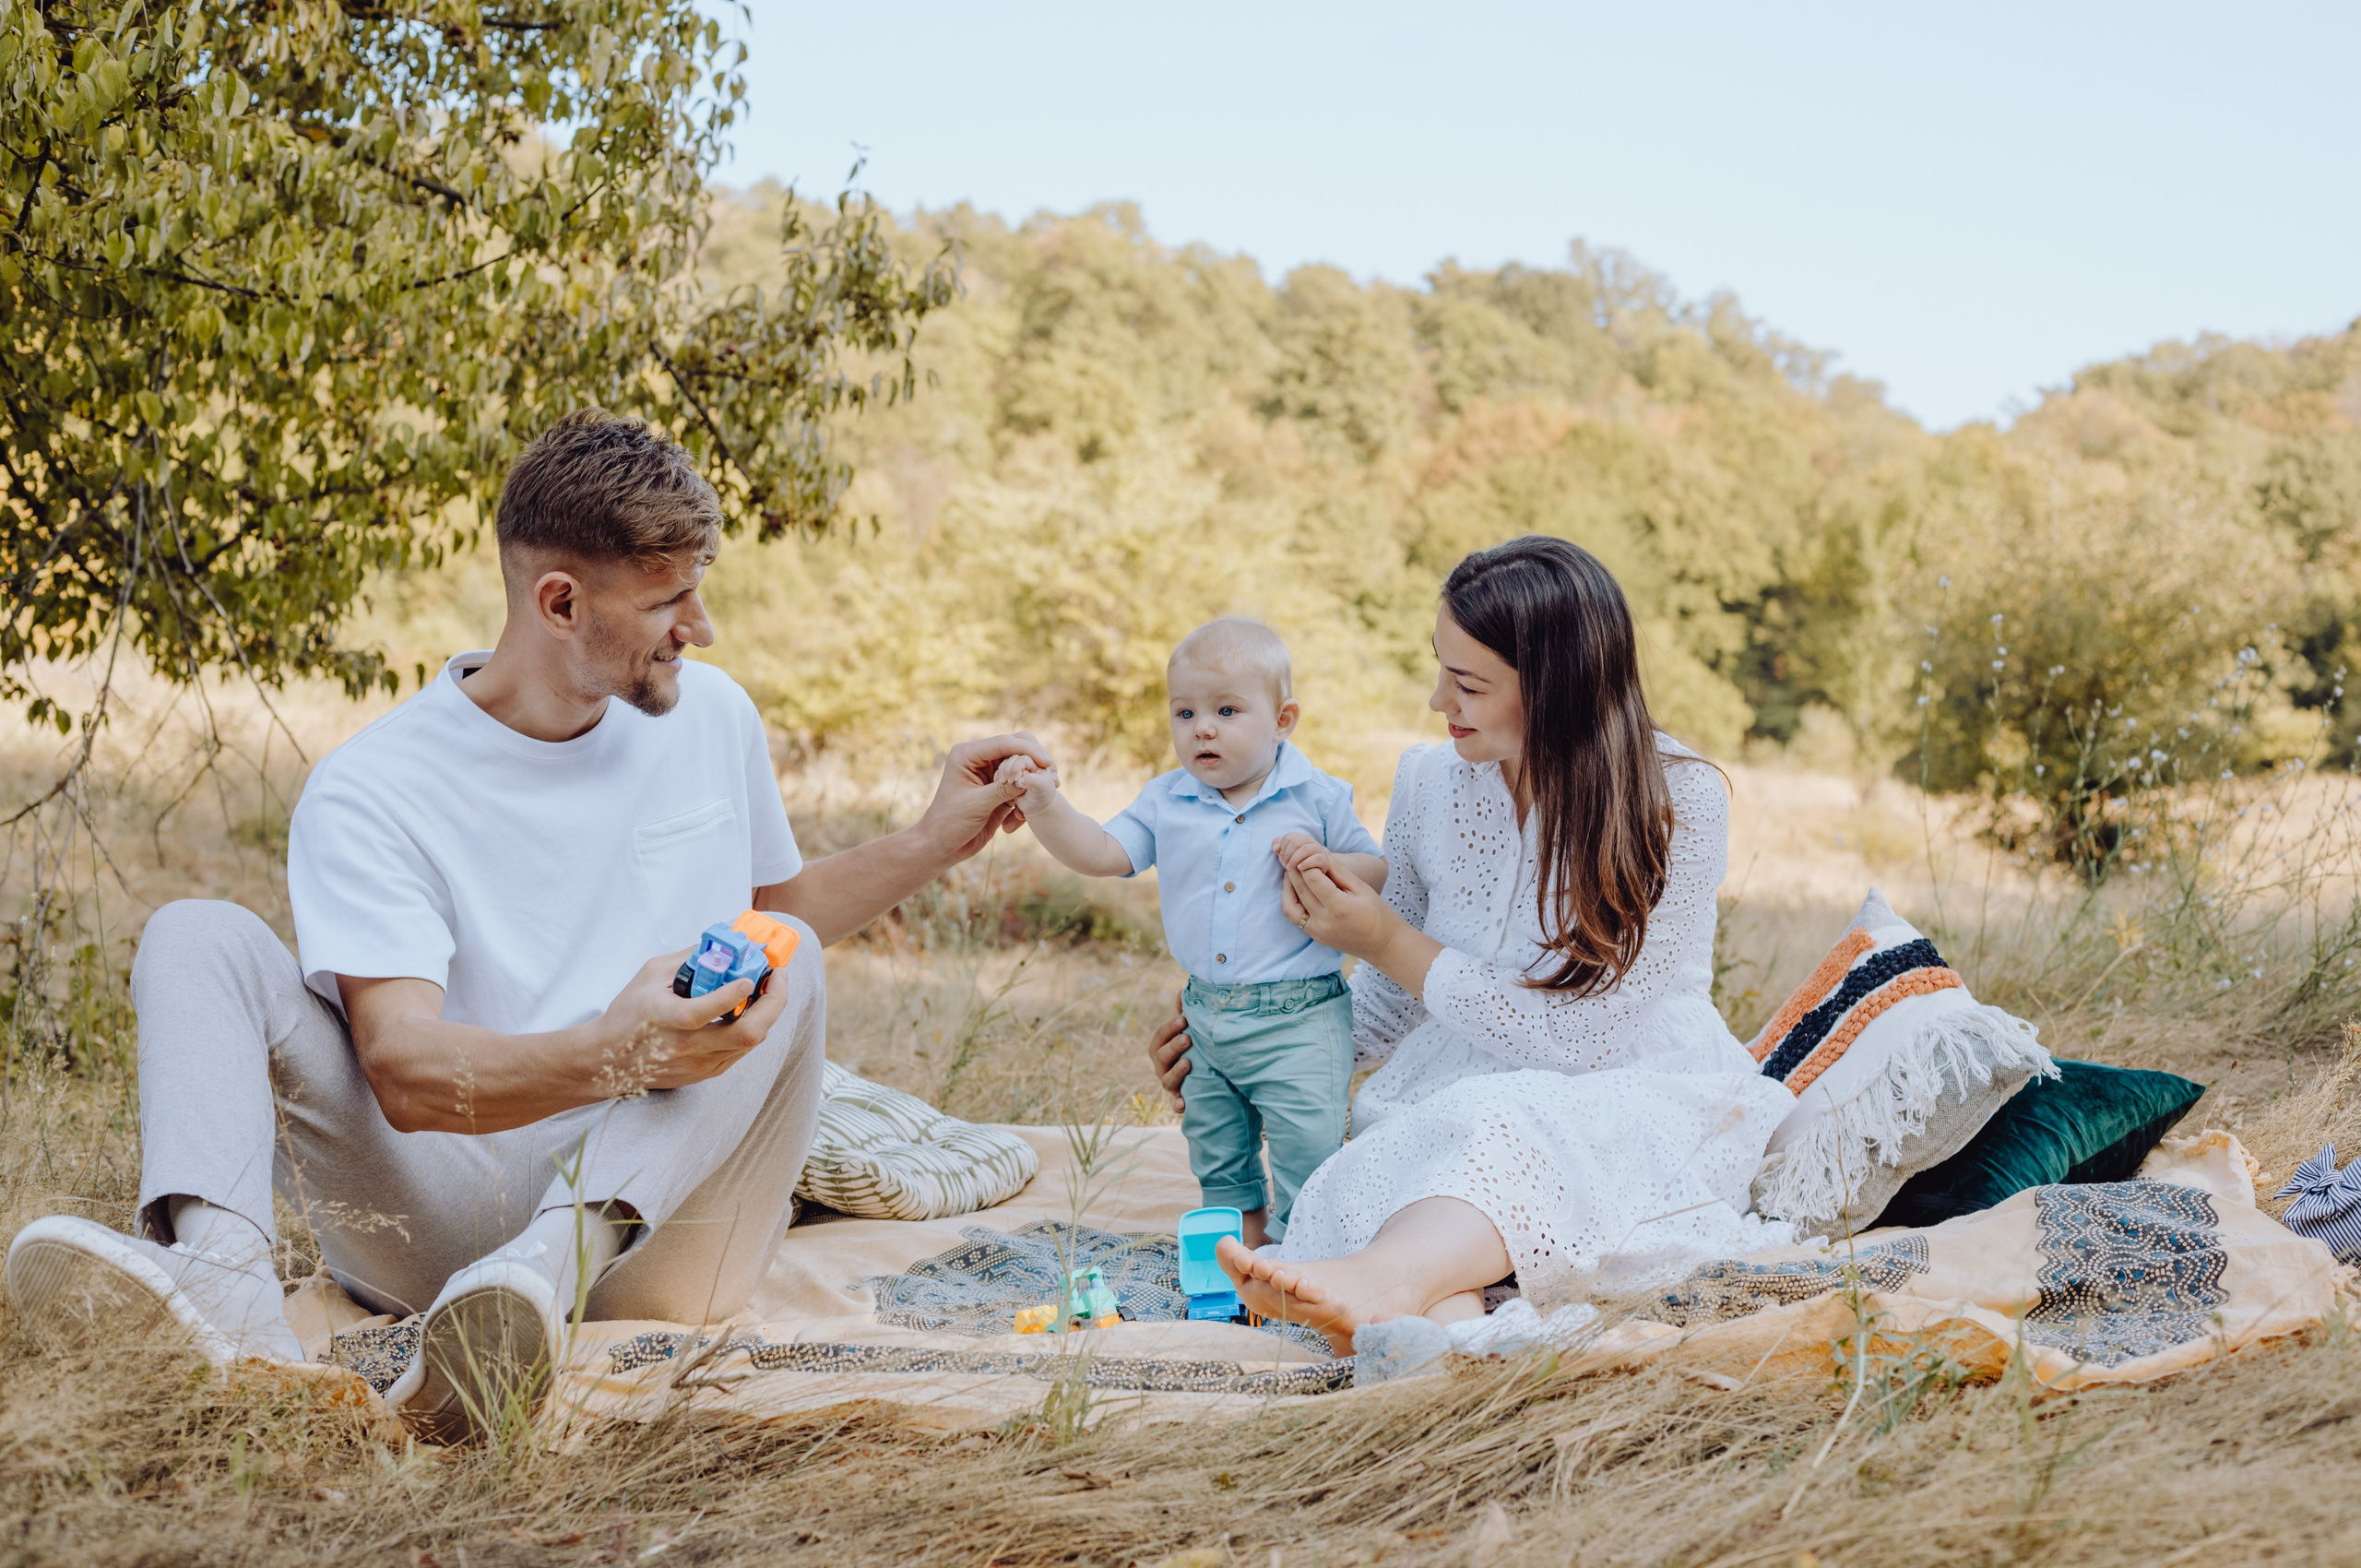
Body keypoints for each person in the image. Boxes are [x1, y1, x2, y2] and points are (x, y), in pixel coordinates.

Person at [4, 410, 1050, 1436]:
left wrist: (931, 840)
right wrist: (615, 1051)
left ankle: (542, 1280)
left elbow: (771, 917)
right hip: (438, 1218)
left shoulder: (712, 714)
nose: (700, 626)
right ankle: (228, 1305)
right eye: (668, 602)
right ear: (558, 601)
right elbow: (405, 1072)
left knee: (794, 959)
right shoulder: (374, 786)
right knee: (196, 933)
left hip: (668, 1235)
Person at [1146, 537, 1797, 1353]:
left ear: (1556, 690)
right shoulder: (1429, 781)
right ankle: (1431, 1342)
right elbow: (1389, 1001)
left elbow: (1585, 1038)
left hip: (1629, 1086)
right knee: (1403, 1151)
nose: (1435, 699)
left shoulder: (1678, 799)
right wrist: (1254, 1052)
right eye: (1439, 667)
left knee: (1496, 1124)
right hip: (1452, 1087)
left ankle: (1382, 1285)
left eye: (1469, 683)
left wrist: (1385, 939)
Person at [1001, 618, 1384, 1246]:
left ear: (1283, 719)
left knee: (1307, 1144)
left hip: (1301, 1019)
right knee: (1215, 1147)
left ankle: (1306, 1256)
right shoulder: (1166, 800)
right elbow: (1101, 850)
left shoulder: (1317, 797)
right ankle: (1241, 1251)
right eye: (1184, 713)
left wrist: (1329, 863)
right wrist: (1044, 803)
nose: (1202, 727)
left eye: (1227, 710)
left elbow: (1376, 870)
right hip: (1205, 1016)